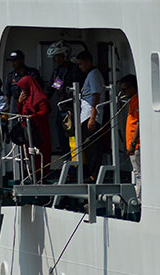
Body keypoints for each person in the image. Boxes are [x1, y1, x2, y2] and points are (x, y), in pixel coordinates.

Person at [46, 40, 82, 154]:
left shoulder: (75, 69)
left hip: (73, 109)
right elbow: (51, 89)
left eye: (58, 56)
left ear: (65, 55)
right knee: (62, 139)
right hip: (61, 108)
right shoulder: (58, 71)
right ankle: (68, 163)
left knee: (73, 138)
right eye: (55, 57)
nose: (56, 60)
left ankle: (76, 168)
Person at [75, 50, 105, 181]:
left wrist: (93, 117)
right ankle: (89, 172)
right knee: (87, 147)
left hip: (90, 116)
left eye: (81, 64)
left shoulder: (93, 74)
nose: (80, 67)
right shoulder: (89, 75)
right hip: (85, 116)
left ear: (88, 62)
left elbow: (96, 95)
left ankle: (95, 174)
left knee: (93, 147)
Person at [17, 75, 52, 178]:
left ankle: (43, 174)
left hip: (40, 130)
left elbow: (45, 111)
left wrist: (33, 116)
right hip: (29, 131)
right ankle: (34, 173)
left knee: (42, 153)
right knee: (30, 153)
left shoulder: (40, 98)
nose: (22, 90)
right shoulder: (25, 99)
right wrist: (19, 102)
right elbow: (21, 112)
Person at [120, 74, 141, 202]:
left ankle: (140, 201)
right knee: (137, 173)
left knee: (138, 174)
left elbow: (139, 122)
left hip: (136, 145)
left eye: (126, 89)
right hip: (133, 145)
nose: (124, 92)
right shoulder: (133, 100)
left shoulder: (137, 100)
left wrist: (133, 143)